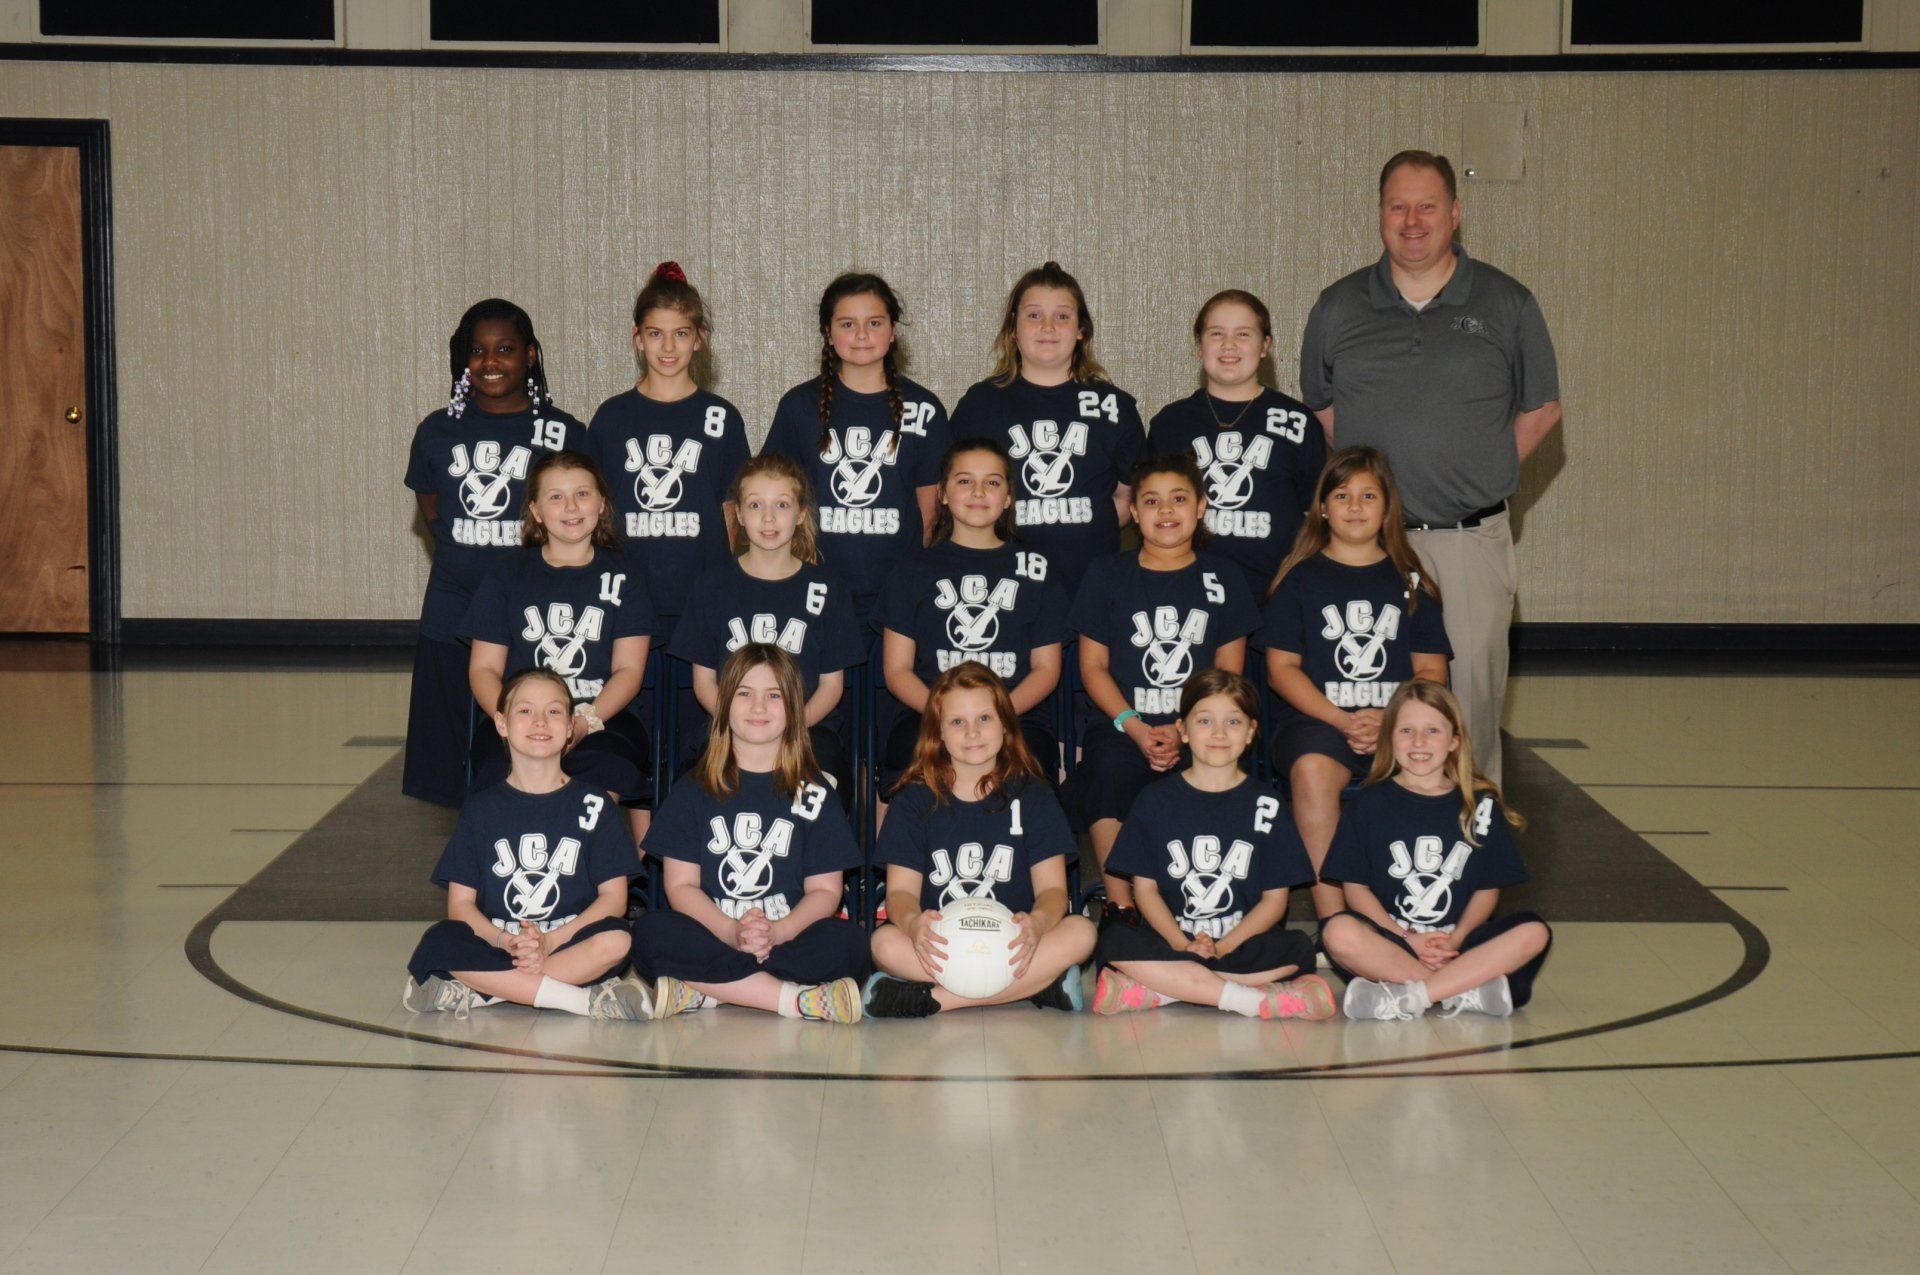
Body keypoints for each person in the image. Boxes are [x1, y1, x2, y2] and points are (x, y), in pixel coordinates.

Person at [1300, 150, 1561, 782]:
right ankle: (1389, 843)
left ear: (1456, 214)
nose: (1412, 220)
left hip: (1467, 540)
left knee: (1467, 696)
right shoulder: (1338, 306)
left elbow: (1542, 407)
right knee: (1371, 696)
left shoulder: (1507, 302)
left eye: (1427, 206)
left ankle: (1473, 833)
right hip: (1368, 549)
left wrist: (1480, 472)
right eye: (1397, 206)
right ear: (1380, 215)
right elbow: (1325, 412)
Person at [1061, 454, 1261, 918]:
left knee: (1216, 759)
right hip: (1122, 725)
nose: (1165, 511)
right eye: (1151, 501)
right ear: (1133, 512)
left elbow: (1229, 675)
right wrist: (1135, 727)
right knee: (1105, 771)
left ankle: (1198, 901)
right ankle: (1122, 907)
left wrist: (1180, 728)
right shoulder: (1106, 574)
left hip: (1204, 727)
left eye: (1178, 499)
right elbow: (1092, 667)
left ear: (1202, 507)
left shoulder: (1225, 576)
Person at [630, 644, 870, 1022]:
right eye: (745, 693)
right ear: (723, 704)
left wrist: (777, 932)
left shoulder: (816, 794)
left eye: (774, 695)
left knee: (852, 944)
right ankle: (795, 1000)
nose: (759, 707)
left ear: (795, 709)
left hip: (788, 938)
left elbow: (825, 892)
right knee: (649, 933)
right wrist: (730, 932)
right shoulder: (692, 789)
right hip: (714, 934)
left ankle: (707, 991)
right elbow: (680, 888)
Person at [403, 300, 581, 807]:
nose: (491, 362)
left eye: (505, 349)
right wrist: (462, 546)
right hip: (455, 597)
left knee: (526, 720)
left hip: (534, 599)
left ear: (529, 355)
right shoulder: (438, 429)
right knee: (448, 737)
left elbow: (578, 513)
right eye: (477, 351)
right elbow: (431, 501)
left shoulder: (563, 432)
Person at [1262, 447, 1450, 920]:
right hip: (1317, 721)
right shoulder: (1298, 580)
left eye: (1369, 495)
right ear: (1322, 507)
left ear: (1388, 508)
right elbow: (1282, 669)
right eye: (1342, 494)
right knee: (1312, 773)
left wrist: (1391, 718)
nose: (1354, 505)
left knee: (1432, 761)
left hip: (1397, 722)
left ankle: (1408, 909)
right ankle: (1335, 919)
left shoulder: (1411, 583)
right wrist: (1342, 720)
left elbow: (1431, 673)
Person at [403, 668, 649, 1021]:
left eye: (553, 712)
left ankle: (486, 993)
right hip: (498, 946)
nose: (539, 721)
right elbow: (460, 905)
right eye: (525, 711)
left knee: (617, 939)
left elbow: (614, 899)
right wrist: (505, 941)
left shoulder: (595, 805)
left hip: (569, 944)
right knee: (441, 939)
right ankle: (580, 1000)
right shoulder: (480, 809)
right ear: (501, 724)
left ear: (569, 729)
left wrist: (551, 942)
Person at [1091, 670, 1336, 1020]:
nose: (1219, 733)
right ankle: (1254, 1000)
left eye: (1233, 722)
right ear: (1184, 731)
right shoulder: (1154, 801)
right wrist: (1181, 944)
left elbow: (1275, 901)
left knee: (1297, 949)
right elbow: (1144, 891)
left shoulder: (1268, 806)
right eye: (1205, 721)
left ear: (1251, 732)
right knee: (1113, 939)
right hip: (1170, 941)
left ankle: (1160, 990)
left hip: (1239, 945)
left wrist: (1222, 947)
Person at [864, 664, 1096, 1017]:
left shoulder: (1034, 796)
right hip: (944, 947)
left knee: (1082, 932)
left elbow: (1053, 892)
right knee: (883, 943)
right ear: (938, 732)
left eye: (985, 718)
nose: (972, 732)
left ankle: (935, 1000)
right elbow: (899, 894)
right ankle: (1042, 985)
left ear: (1006, 723)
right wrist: (913, 925)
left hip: (1017, 945)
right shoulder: (912, 800)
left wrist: (1038, 924)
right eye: (957, 722)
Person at [1318, 680, 1553, 1020]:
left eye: (1432, 730)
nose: (1418, 742)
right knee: (1337, 931)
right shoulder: (1369, 803)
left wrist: (1456, 938)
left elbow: (1488, 889)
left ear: (1455, 740)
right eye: (1407, 731)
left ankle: (1415, 995)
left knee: (1534, 931)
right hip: (1394, 946)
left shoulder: (1480, 805)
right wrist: (1406, 938)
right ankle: (1463, 991)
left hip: (1459, 946)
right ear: (1389, 739)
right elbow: (1355, 889)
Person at [461, 451, 655, 830]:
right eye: (555, 497)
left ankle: (587, 878)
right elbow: (483, 668)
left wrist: (582, 723)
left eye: (582, 494)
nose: (571, 507)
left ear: (602, 504)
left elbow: (629, 671)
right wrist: (510, 721)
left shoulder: (625, 575)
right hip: (519, 724)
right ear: (534, 510)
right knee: (505, 782)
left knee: (602, 777)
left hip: (600, 721)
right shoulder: (507, 575)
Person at [761, 273, 951, 631]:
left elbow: (930, 513)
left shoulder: (924, 409)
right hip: (816, 591)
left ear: (893, 331)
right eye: (848, 324)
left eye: (874, 323)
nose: (862, 335)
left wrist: (909, 580)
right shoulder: (799, 406)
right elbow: (776, 499)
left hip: (899, 595)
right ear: (829, 335)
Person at [670, 456, 866, 802]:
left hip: (806, 729)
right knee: (698, 786)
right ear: (739, 515)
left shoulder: (827, 588)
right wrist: (743, 728)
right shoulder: (711, 587)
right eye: (756, 504)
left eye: (782, 504)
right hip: (728, 728)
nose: (769, 517)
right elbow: (704, 683)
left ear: (802, 513)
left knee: (825, 784)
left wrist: (791, 728)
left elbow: (832, 686)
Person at [950, 261, 1146, 605]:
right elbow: (957, 491)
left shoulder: (1114, 406)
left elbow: (1130, 496)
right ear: (1013, 327)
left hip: (1090, 590)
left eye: (1063, 316)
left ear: (1081, 329)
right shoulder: (981, 404)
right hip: (1002, 591)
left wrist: (1085, 527)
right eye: (1034, 315)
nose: (1048, 327)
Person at [878, 439, 1064, 793]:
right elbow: (897, 671)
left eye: (993, 482)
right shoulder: (912, 570)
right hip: (929, 713)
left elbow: (1046, 669)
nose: (979, 491)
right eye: (964, 481)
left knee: (1033, 758)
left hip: (1015, 713)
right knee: (906, 752)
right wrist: (949, 716)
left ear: (1009, 497)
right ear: (942, 494)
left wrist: (994, 716)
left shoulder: (1038, 571)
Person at [583, 262, 750, 646]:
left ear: (699, 338)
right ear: (637, 338)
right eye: (656, 334)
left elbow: (733, 508)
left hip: (701, 595)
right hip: (625, 596)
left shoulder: (722, 417)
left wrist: (719, 577)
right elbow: (592, 504)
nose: (668, 347)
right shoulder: (613, 417)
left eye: (681, 333)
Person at [1147, 289, 1324, 599]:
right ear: (1199, 345)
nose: (1228, 345)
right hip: (1187, 595)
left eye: (1243, 334)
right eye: (1216, 334)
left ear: (1265, 345)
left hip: (1275, 596)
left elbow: (1316, 515)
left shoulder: (1299, 422)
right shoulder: (1170, 424)